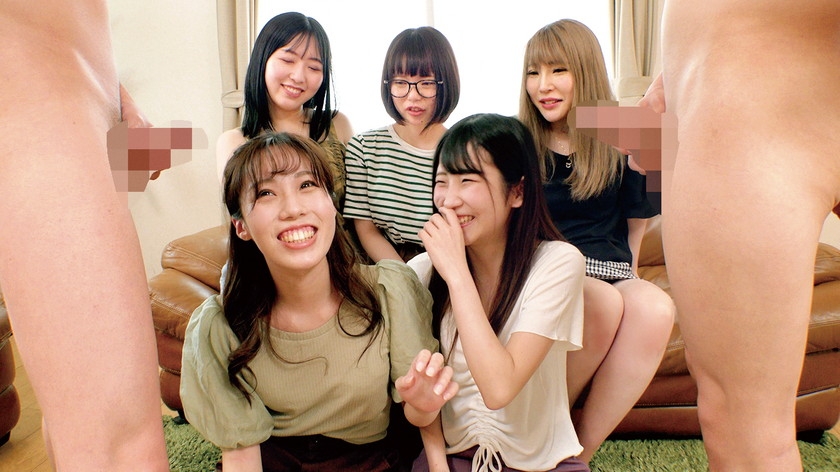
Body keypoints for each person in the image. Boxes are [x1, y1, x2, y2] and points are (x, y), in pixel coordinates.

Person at [635, 2, 840, 470]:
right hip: (742, 70)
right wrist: (677, 71)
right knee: (747, 431)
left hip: (747, 79)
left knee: (747, 434)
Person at [181, 132, 441, 471]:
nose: (294, 209)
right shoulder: (219, 324)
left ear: (332, 204)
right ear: (240, 226)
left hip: (366, 461)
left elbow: (418, 411)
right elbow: (242, 450)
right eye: (266, 193)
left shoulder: (389, 291)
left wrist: (424, 403)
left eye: (307, 185)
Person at [0, 1, 169, 470]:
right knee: (123, 445)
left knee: (80, 423)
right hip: (37, 92)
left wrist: (119, 100)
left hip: (74, 98)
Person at [518, 19, 675, 463]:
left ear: (585, 70)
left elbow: (635, 223)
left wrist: (633, 278)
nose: (543, 85)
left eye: (558, 70)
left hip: (611, 269)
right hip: (548, 270)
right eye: (533, 72)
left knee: (656, 308)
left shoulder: (624, 132)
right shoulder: (518, 140)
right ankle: (540, 429)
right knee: (602, 301)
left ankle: (577, 455)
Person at [403, 113, 590, 472]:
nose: (449, 200)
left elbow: (499, 389)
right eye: (441, 182)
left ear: (517, 192)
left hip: (540, 465)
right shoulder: (422, 271)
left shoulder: (557, 263)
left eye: (467, 181)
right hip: (450, 460)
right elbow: (421, 407)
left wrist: (457, 275)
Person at [343, 26, 460, 262]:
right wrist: (404, 276)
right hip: (389, 268)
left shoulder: (465, 150)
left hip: (450, 265)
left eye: (426, 83)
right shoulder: (364, 148)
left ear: (445, 84)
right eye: (400, 82)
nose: (412, 96)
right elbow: (366, 230)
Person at [215, 11, 353, 207]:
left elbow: (363, 208)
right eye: (288, 60)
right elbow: (242, 215)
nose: (298, 76)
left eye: (313, 67)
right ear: (262, 60)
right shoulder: (235, 142)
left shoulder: (337, 124)